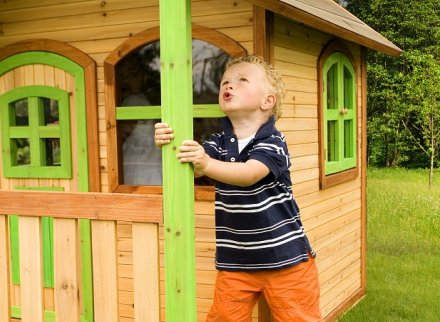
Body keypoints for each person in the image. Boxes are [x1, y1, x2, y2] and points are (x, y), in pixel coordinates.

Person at [155, 55, 323, 322]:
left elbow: (249, 174)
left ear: (267, 101)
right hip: (236, 263)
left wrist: (206, 163)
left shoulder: (273, 142)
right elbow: (195, 165)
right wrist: (169, 141)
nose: (228, 86)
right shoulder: (218, 143)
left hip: (286, 260)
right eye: (225, 81)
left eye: (242, 80)